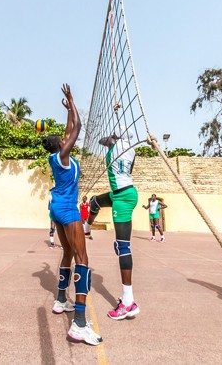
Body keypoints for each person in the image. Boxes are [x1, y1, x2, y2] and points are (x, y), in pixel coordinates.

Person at [43, 83, 102, 346]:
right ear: (61, 146)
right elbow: (77, 128)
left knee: (67, 253)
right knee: (82, 259)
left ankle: (59, 300)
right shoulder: (63, 156)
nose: (66, 138)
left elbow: (70, 128)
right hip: (67, 209)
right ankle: (79, 323)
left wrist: (67, 109)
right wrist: (73, 101)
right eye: (63, 140)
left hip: (57, 207)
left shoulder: (58, 156)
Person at [84, 125, 140, 321]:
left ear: (116, 138)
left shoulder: (113, 146)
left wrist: (111, 140)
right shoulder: (131, 149)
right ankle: (87, 227)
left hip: (122, 198)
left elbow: (102, 141)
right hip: (122, 193)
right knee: (94, 201)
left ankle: (128, 302)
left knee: (122, 247)